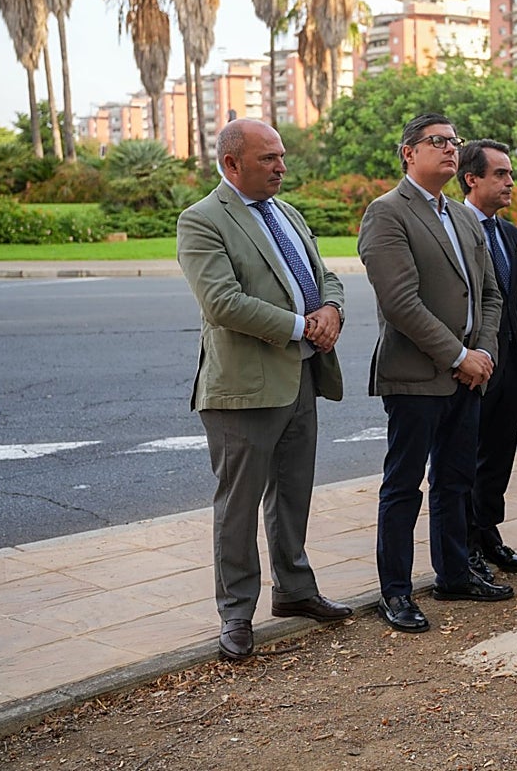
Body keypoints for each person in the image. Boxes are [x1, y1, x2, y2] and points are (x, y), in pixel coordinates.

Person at [176, 118, 352, 662]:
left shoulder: (289, 214)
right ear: (232, 164)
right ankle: (236, 613)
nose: (281, 166)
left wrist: (330, 310)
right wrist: (303, 326)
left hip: (301, 376)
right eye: (269, 159)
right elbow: (222, 303)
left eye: (281, 156)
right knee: (238, 505)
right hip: (243, 389)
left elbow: (326, 277)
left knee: (293, 493)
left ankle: (295, 591)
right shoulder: (202, 220)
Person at [358, 113, 513, 635]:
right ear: (408, 152)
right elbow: (400, 302)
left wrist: (482, 353)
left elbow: (491, 294)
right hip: (416, 376)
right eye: (438, 142)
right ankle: (396, 591)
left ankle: (453, 575)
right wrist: (457, 356)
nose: (451, 149)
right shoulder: (387, 214)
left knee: (455, 480)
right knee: (404, 485)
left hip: (469, 374)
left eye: (454, 142)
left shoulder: (464, 217)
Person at [456, 139, 517, 579]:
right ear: (472, 179)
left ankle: (489, 534)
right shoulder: (453, 226)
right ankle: (464, 547)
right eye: (500, 174)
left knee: (499, 456)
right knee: (466, 458)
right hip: (472, 362)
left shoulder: (509, 233)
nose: (510, 182)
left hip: (511, 362)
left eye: (510, 174)